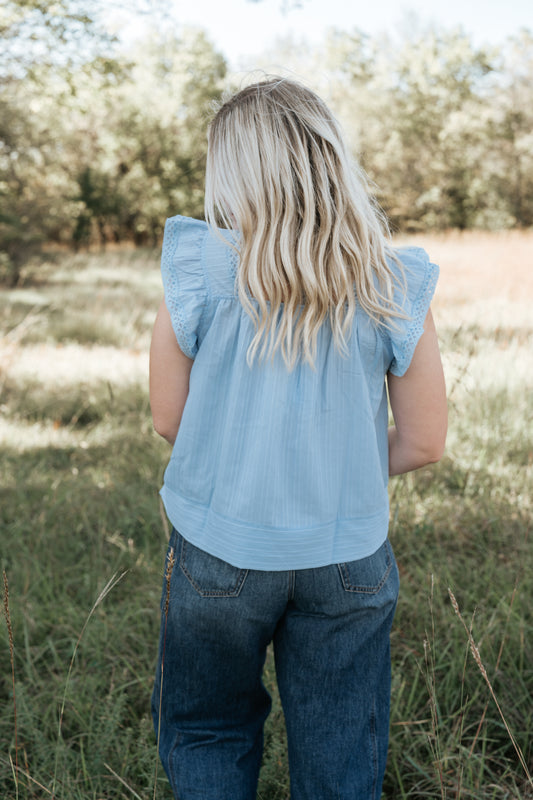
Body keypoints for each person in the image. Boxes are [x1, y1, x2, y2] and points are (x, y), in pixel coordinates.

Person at [149, 77, 447, 800]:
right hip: (346, 556)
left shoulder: (196, 265)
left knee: (208, 729)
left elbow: (168, 420)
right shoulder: (393, 281)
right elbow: (424, 442)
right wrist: (335, 471)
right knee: (341, 749)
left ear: (232, 171)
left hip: (217, 547)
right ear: (330, 158)